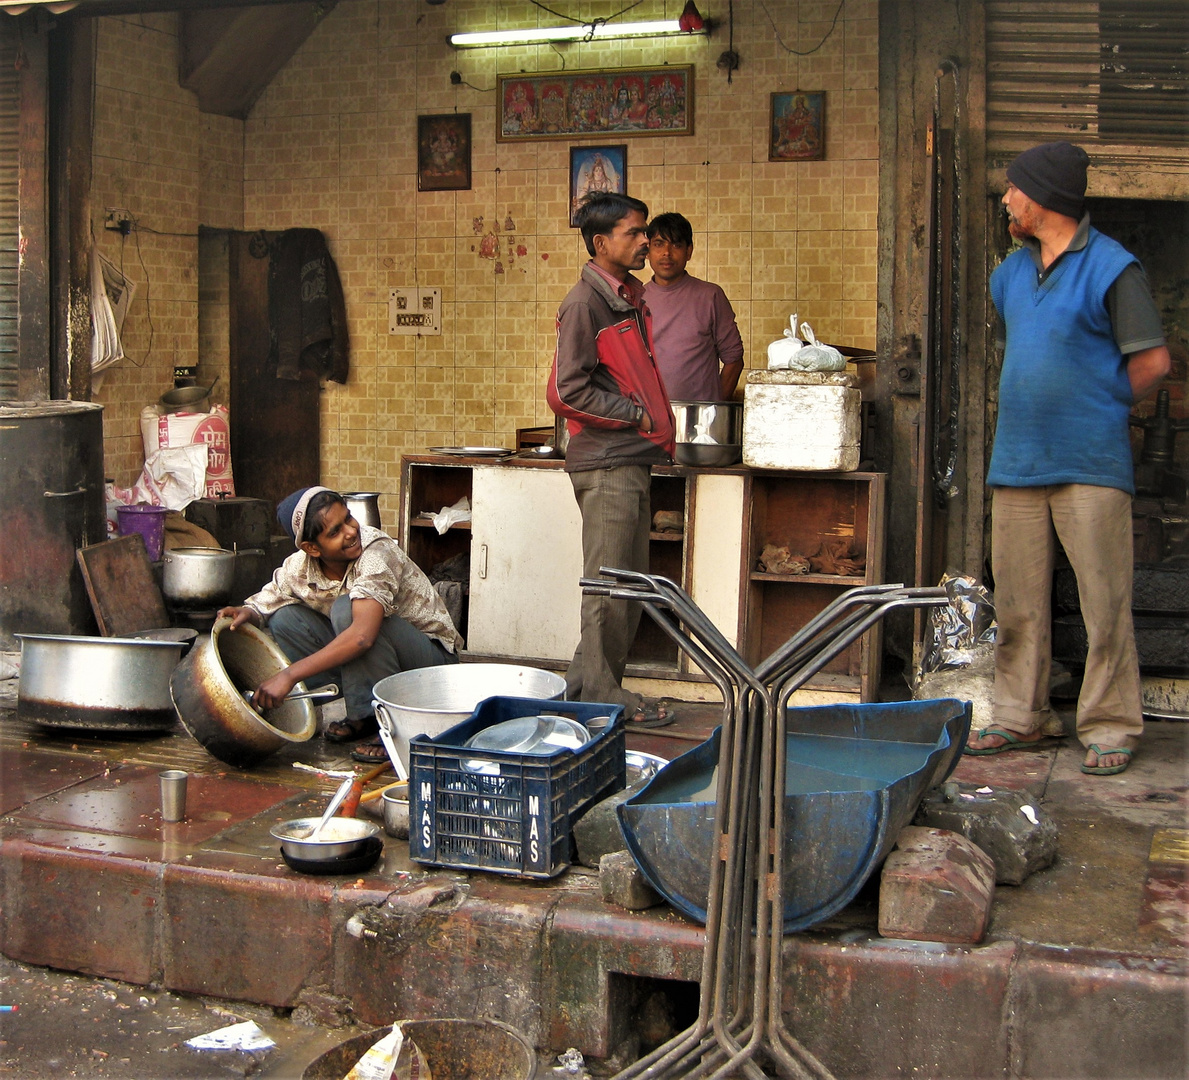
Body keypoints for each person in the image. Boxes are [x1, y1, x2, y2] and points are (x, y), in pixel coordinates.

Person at [966, 141, 1171, 776]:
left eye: (1013, 189)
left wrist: (1099, 405)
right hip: (1018, 463)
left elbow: (1153, 363)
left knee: (1103, 600)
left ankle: (1110, 726)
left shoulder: (1113, 267)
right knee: (1020, 603)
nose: (1005, 198)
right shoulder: (1009, 274)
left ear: (1045, 197)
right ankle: (1020, 717)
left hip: (1090, 462)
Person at [547, 192, 677, 727]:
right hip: (607, 461)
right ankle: (603, 695)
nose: (646, 240)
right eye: (634, 233)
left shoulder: (624, 296)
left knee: (625, 584)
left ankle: (584, 689)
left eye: (645, 231)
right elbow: (566, 391)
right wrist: (637, 416)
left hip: (629, 458)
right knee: (609, 586)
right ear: (601, 243)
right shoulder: (586, 302)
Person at [218, 487, 463, 763]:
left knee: (349, 610)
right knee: (285, 618)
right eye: (335, 532)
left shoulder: (376, 553)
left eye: (348, 519)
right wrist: (246, 612)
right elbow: (269, 599)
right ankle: (363, 716)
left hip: (431, 666)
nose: (350, 531)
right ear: (312, 548)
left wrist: (287, 676)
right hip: (379, 659)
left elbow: (361, 637)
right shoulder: (298, 567)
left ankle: (390, 726)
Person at [643, 212, 745, 401]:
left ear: (689, 251)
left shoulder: (710, 296)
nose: (667, 252)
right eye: (659, 244)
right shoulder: (636, 300)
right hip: (649, 423)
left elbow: (734, 360)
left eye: (676, 245)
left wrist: (713, 410)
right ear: (647, 251)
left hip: (700, 424)